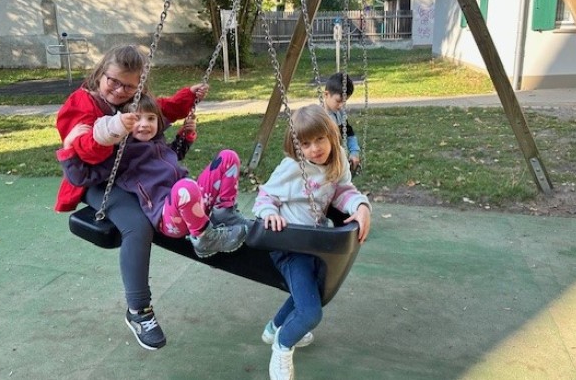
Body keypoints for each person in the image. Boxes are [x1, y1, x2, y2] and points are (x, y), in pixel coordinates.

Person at [54, 44, 240, 351]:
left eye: (129, 86)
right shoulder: (82, 103)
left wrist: (188, 98)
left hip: (132, 172)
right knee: (138, 227)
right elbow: (85, 152)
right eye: (113, 81)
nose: (119, 90)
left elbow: (161, 110)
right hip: (95, 177)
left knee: (179, 189)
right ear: (100, 73)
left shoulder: (135, 101)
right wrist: (113, 128)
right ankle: (139, 310)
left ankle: (211, 219)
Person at [252, 104, 371, 380]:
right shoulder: (292, 167)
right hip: (289, 246)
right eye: (305, 144)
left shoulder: (337, 160)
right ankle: (282, 346)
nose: (315, 149)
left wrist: (361, 205)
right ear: (297, 146)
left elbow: (343, 191)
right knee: (310, 313)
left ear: (331, 135)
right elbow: (265, 196)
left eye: (320, 139)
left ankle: (274, 329)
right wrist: (270, 214)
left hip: (314, 244)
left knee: (314, 294)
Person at [58, 93, 249, 257]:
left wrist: (185, 136)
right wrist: (68, 149)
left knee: (227, 157)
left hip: (191, 205)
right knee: (186, 186)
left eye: (151, 119)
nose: (144, 124)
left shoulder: (157, 143)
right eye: (137, 119)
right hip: (168, 218)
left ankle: (225, 213)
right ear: (125, 124)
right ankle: (204, 239)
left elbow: (173, 156)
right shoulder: (121, 155)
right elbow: (81, 177)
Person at [323, 72, 361, 173]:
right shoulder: (318, 116)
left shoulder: (340, 113)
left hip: (340, 161)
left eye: (344, 102)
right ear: (326, 94)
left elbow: (349, 132)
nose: (341, 106)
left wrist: (354, 151)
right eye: (338, 101)